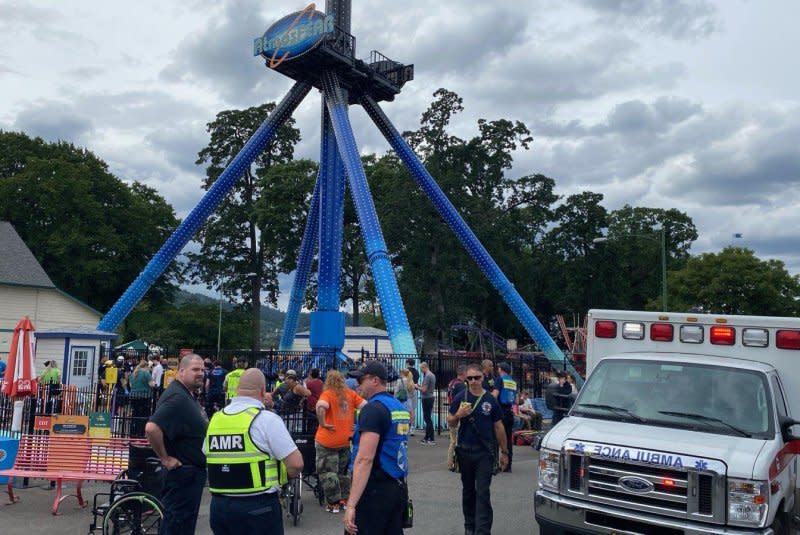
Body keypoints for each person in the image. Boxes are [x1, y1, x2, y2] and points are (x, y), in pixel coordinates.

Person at [204, 368, 303, 535]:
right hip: (258, 506)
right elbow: (296, 464)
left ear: (236, 390)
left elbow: (208, 454)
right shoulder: (266, 419)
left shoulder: (216, 419)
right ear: (263, 391)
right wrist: (283, 479)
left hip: (219, 507)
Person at [344, 361, 410, 535]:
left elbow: (365, 459)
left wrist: (351, 504)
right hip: (397, 485)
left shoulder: (372, 409)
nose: (357, 385)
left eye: (361, 380)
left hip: (374, 489)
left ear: (375, 380)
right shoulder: (398, 407)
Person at [145, 354, 208, 535]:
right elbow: (151, 428)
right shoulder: (177, 397)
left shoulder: (185, 395)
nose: (200, 374)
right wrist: (165, 458)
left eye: (202, 370)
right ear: (181, 372)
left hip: (190, 476)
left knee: (182, 527)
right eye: (195, 369)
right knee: (176, 527)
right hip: (182, 475)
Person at [447, 363, 508, 535]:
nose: (473, 381)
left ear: (483, 378)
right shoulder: (461, 396)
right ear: (466, 379)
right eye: (470, 378)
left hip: (484, 453)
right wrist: (458, 415)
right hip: (465, 451)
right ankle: (469, 525)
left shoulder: (490, 400)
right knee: (468, 492)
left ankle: (482, 530)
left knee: (482, 492)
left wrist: (505, 452)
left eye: (477, 377)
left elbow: (499, 427)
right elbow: (450, 421)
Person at [315, 370, 367, 513]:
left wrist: (323, 422)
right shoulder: (350, 394)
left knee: (328, 472)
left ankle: (334, 503)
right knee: (343, 472)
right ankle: (345, 500)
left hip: (327, 440)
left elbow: (321, 407)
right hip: (345, 440)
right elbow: (366, 405)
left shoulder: (328, 394)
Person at [492, 362, 517, 472]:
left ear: (500, 369)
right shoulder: (512, 381)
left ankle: (495, 464)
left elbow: (495, 395)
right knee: (508, 440)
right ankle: (508, 465)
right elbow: (516, 401)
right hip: (509, 412)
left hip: (500, 412)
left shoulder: (499, 379)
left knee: (496, 439)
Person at [447, 365, 467, 469]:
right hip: (457, 414)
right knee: (457, 440)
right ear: (464, 373)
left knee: (452, 440)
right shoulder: (461, 386)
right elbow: (463, 401)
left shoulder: (452, 383)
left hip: (451, 411)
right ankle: (456, 463)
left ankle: (450, 463)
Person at [130, 360, 154, 438]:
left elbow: (130, 385)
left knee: (135, 414)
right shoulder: (146, 374)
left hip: (133, 396)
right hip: (145, 397)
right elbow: (152, 385)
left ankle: (133, 432)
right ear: (146, 366)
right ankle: (141, 433)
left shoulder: (133, 374)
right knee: (144, 415)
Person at [415, 361, 436, 445]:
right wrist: (420, 386)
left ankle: (431, 438)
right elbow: (426, 388)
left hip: (427, 398)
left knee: (427, 419)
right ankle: (427, 438)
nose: (420, 371)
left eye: (421, 369)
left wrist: (416, 387)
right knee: (427, 418)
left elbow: (424, 390)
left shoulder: (428, 376)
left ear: (424, 367)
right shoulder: (432, 375)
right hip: (430, 397)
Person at [397, 368, 416, 436]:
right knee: (411, 414)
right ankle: (412, 429)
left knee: (402, 415)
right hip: (409, 400)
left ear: (402, 373)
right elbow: (413, 393)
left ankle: (403, 430)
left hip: (402, 400)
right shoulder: (411, 381)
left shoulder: (400, 381)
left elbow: (396, 391)